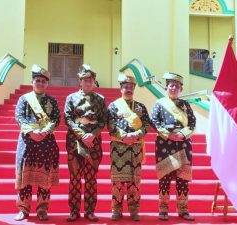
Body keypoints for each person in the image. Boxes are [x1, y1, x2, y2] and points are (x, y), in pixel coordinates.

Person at [14, 65, 60, 222]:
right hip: (27, 143)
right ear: (32, 82)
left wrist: (45, 131)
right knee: (25, 179)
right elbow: (19, 116)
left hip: (46, 143)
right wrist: (32, 133)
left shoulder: (52, 101)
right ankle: (23, 209)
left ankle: (42, 209)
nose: (40, 83)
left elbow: (56, 119)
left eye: (43, 81)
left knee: (44, 180)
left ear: (47, 84)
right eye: (37, 80)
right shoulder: (24, 99)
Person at [150, 72, 196, 221]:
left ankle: (183, 210)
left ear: (181, 89)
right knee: (165, 178)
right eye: (171, 85)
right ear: (166, 87)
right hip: (165, 144)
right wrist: (169, 135)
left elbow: (192, 123)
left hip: (183, 144)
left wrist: (183, 134)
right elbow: (154, 122)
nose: (174, 88)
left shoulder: (186, 105)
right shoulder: (159, 104)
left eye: (177, 86)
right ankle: (163, 210)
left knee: (183, 179)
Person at [64, 64, 107, 222]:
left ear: (94, 82)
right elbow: (68, 119)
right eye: (85, 80)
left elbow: (103, 121)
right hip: (75, 142)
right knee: (75, 177)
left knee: (91, 178)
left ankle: (90, 210)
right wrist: (82, 135)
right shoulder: (71, 98)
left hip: (93, 143)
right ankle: (74, 211)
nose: (88, 83)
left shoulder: (100, 99)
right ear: (79, 82)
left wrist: (92, 135)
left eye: (91, 80)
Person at [107, 73, 150, 221]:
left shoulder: (140, 107)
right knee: (118, 182)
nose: (128, 89)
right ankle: (116, 210)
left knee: (134, 182)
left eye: (131, 87)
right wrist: (124, 136)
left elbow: (146, 125)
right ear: (121, 88)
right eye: (126, 87)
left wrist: (137, 134)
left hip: (135, 148)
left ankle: (134, 210)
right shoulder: (113, 106)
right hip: (118, 148)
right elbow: (110, 125)